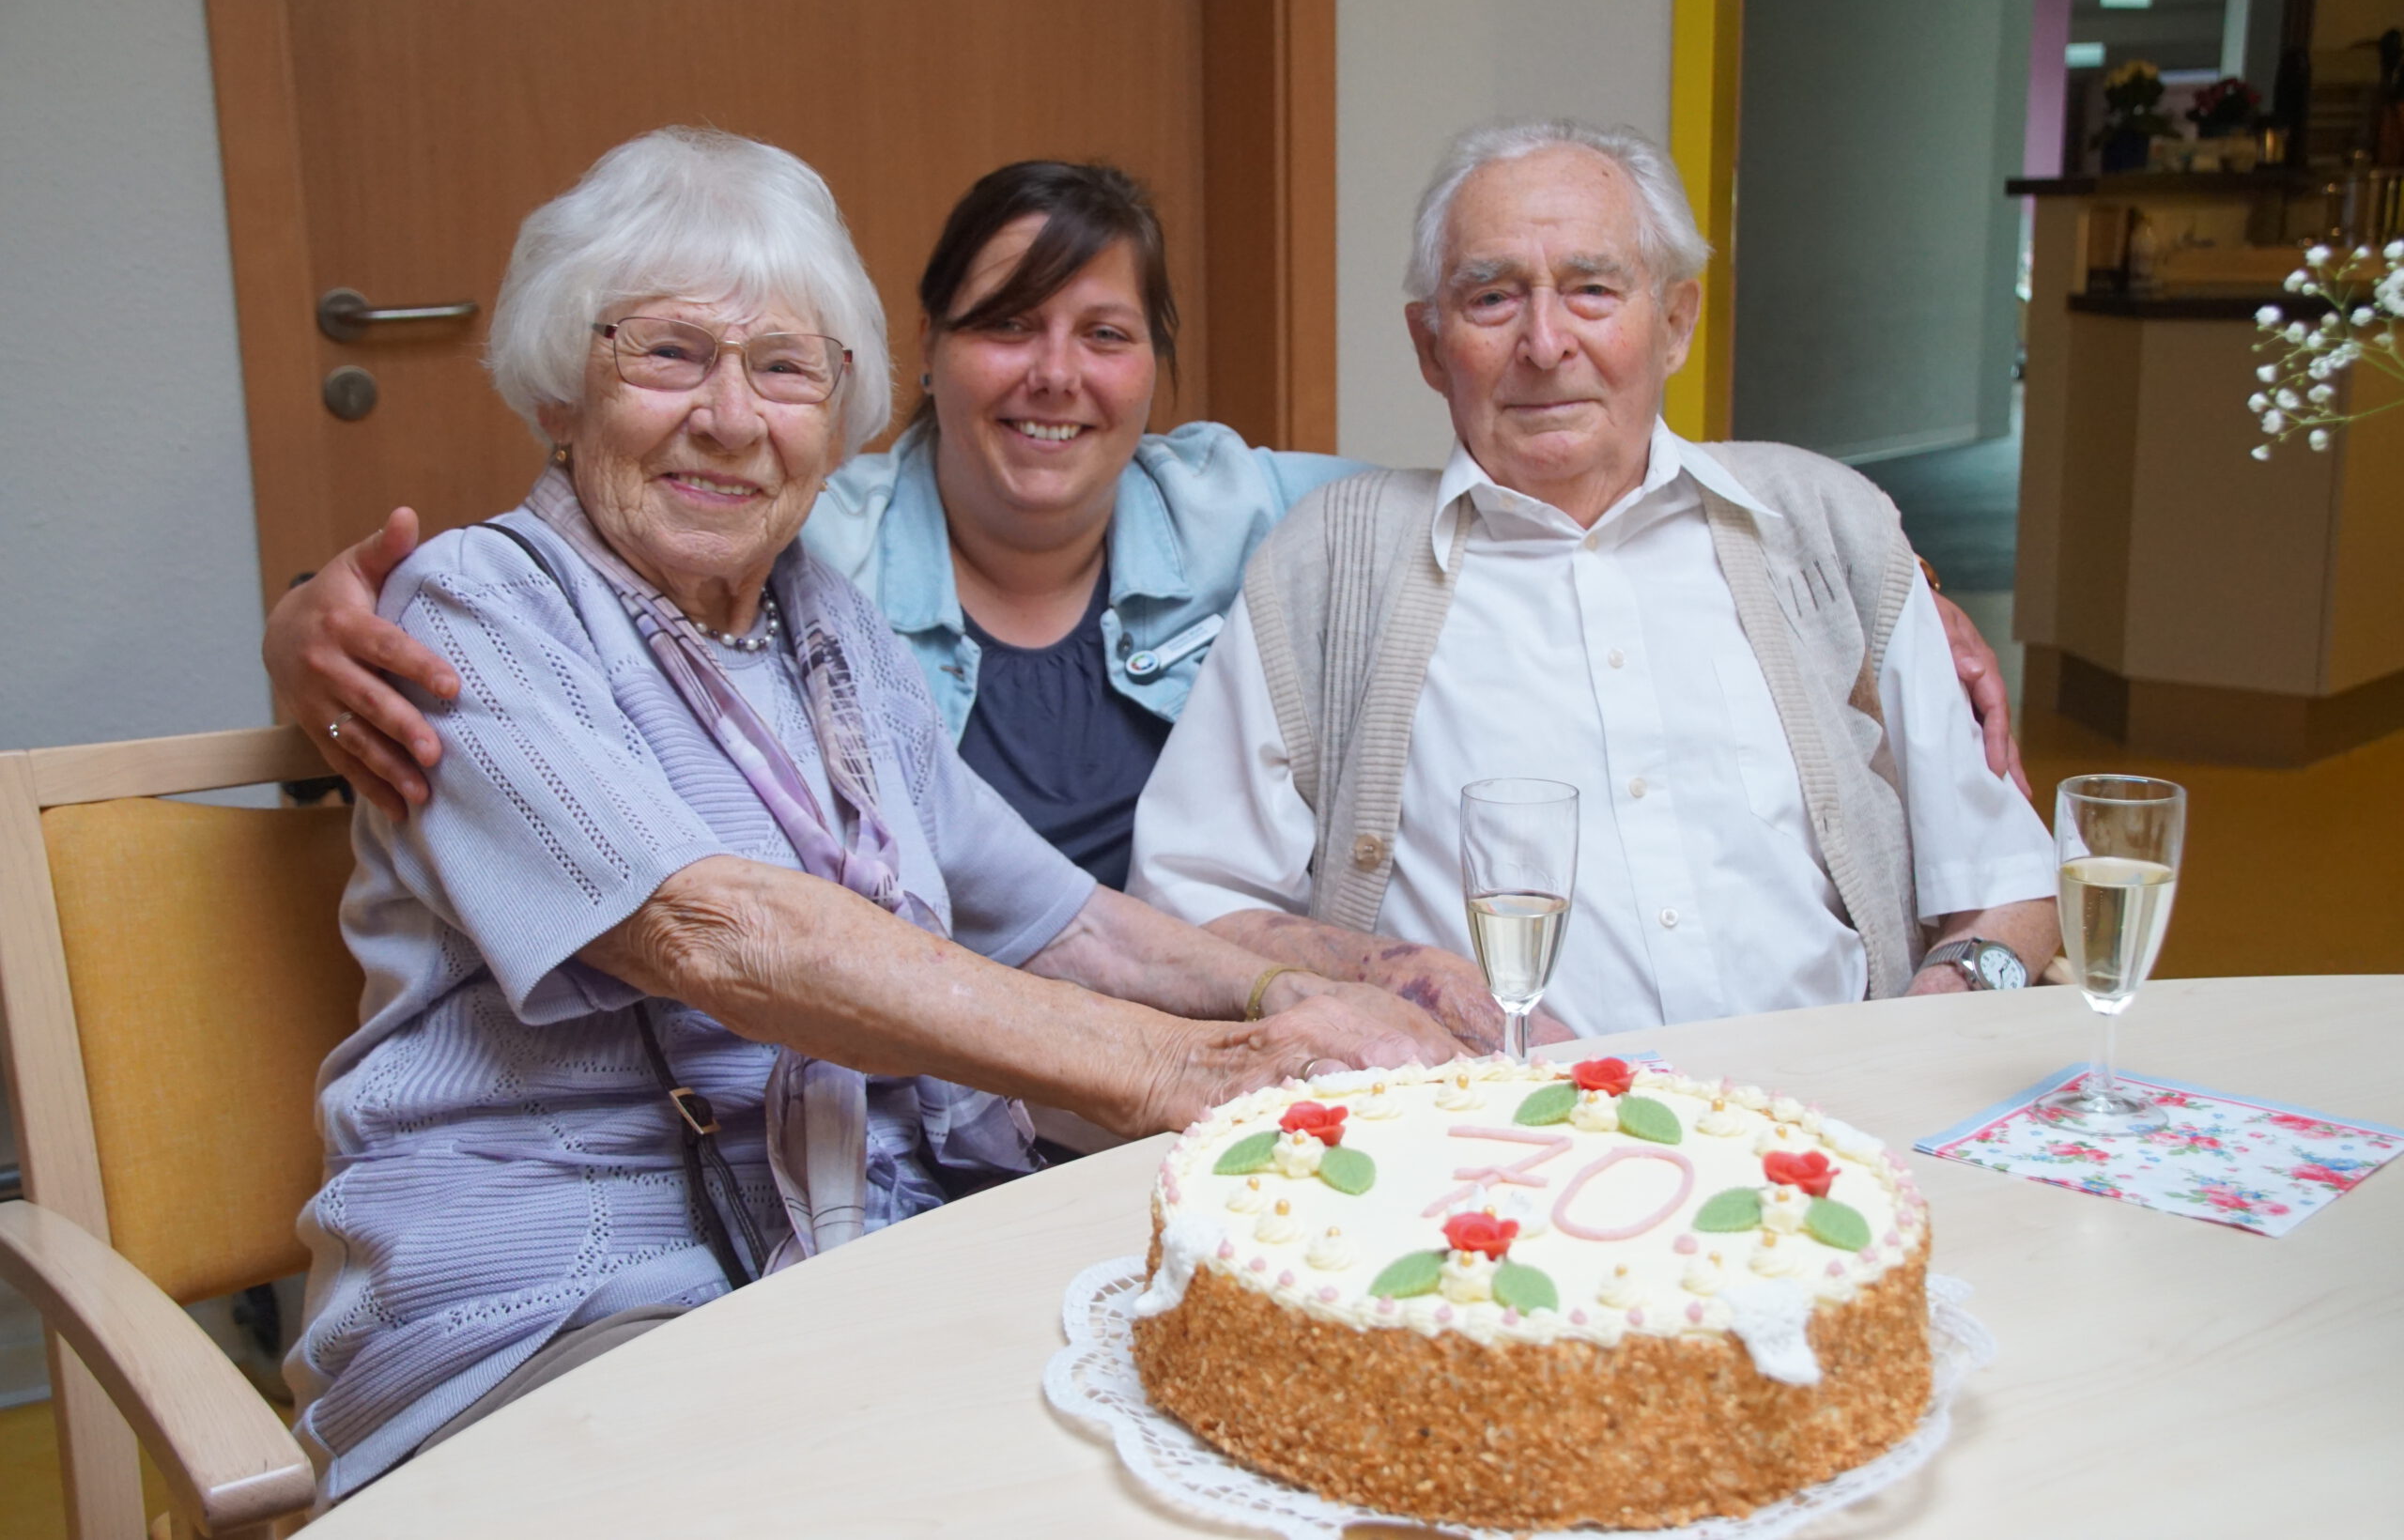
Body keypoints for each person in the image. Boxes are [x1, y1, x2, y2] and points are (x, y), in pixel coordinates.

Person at [288, 127, 1464, 1502]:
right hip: (554, 1282)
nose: (731, 417)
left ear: (836, 409)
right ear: (561, 389)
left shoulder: (825, 629)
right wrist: (1193, 1069)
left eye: (784, 368)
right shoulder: (481, 610)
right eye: (668, 353)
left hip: (839, 1246)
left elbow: (1057, 915)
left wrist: (1341, 976)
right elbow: (719, 937)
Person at [264, 158, 2025, 1053]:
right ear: (920, 370)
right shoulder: (819, 545)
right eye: (667, 356)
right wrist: (306, 620)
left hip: (980, 1099)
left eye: (1104, 333)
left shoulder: (1261, 513)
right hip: (978, 1092)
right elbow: (729, 910)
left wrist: (1877, 565)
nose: (1053, 378)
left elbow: (1531, 470)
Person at [1129, 118, 2059, 1039]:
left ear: (1675, 324)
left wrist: (1917, 1040)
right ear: (1428, 344)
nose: (1544, 342)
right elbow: (1186, 901)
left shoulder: (1823, 525)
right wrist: (1401, 983)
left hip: (1824, 1130)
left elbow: (2005, 880)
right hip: (1485, 1143)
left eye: (1591, 290)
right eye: (1491, 297)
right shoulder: (1327, 564)